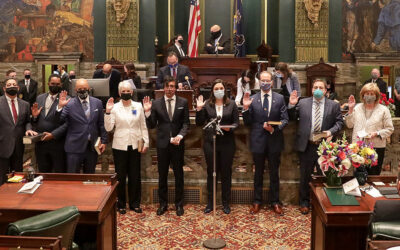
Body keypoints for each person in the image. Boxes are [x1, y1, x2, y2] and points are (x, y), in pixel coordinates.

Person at [288, 79, 344, 215]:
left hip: (325, 147)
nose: (317, 90)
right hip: (307, 145)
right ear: (312, 90)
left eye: (320, 87)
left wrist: (330, 132)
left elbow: (340, 123)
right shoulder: (302, 103)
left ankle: (322, 203)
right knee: (305, 176)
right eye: (315, 87)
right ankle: (304, 202)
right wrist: (291, 105)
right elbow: (291, 118)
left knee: (324, 176)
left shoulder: (334, 105)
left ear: (326, 90)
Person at [242, 71, 289, 216]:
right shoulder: (253, 98)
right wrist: (245, 109)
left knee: (274, 173)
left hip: (274, 140)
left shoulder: (280, 98)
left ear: (272, 82)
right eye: (263, 80)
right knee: (258, 174)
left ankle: (275, 202)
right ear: (259, 82)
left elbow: (285, 119)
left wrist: (274, 129)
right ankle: (257, 201)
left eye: (268, 80)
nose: (265, 82)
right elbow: (247, 122)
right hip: (258, 141)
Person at [143, 76, 190, 216]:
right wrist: (147, 111)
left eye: (172, 86)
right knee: (162, 175)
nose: (170, 89)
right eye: (167, 86)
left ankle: (179, 204)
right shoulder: (156, 103)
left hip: (177, 144)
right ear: (164, 87)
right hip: (162, 144)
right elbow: (151, 125)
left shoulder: (183, 102)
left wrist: (180, 136)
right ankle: (163, 204)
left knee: (179, 175)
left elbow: (186, 123)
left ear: (175, 88)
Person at [105, 81, 149, 215]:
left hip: (136, 144)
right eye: (123, 91)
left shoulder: (138, 106)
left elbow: (142, 125)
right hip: (119, 145)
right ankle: (121, 204)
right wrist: (107, 112)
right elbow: (108, 128)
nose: (125, 93)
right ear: (119, 93)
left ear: (132, 92)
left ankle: (135, 203)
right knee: (121, 176)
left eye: (128, 91)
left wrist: (146, 142)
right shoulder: (114, 107)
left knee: (135, 175)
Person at [195, 79, 239, 214]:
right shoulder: (207, 104)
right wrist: (199, 109)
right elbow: (199, 123)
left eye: (221, 88)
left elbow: (236, 123)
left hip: (227, 143)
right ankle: (210, 202)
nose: (219, 91)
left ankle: (226, 203)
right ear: (212, 91)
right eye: (216, 89)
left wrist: (229, 128)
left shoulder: (231, 104)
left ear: (224, 90)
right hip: (211, 143)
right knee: (211, 173)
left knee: (226, 173)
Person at [57, 78, 108, 173]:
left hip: (92, 147)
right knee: (73, 178)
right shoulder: (69, 104)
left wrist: (104, 141)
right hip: (74, 147)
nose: (82, 90)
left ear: (89, 88)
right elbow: (60, 120)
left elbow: (101, 123)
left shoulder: (97, 103)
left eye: (84, 88)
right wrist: (60, 107)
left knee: (89, 177)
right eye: (80, 88)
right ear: (75, 90)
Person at [346, 83, 394, 175]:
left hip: (376, 147)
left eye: (372, 94)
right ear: (363, 95)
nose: (369, 96)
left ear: (376, 96)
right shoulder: (357, 108)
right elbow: (349, 125)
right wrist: (351, 109)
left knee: (373, 175)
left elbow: (390, 129)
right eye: (367, 93)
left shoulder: (384, 110)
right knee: (359, 175)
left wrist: (376, 133)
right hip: (358, 147)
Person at [0, 77, 36, 185]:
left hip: (18, 145)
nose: (12, 86)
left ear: (18, 87)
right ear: (4, 88)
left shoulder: (25, 104)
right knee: (2, 178)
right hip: (2, 145)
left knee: (18, 176)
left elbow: (27, 122)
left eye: (14, 85)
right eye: (9, 85)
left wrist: (28, 129)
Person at [31, 74, 68, 173]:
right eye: (52, 83)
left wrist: (53, 135)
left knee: (59, 173)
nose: (55, 85)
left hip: (57, 143)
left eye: (57, 84)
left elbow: (67, 123)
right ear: (48, 83)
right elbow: (36, 120)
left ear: (61, 85)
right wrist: (34, 116)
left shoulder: (66, 99)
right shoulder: (40, 98)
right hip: (41, 142)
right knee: (43, 173)